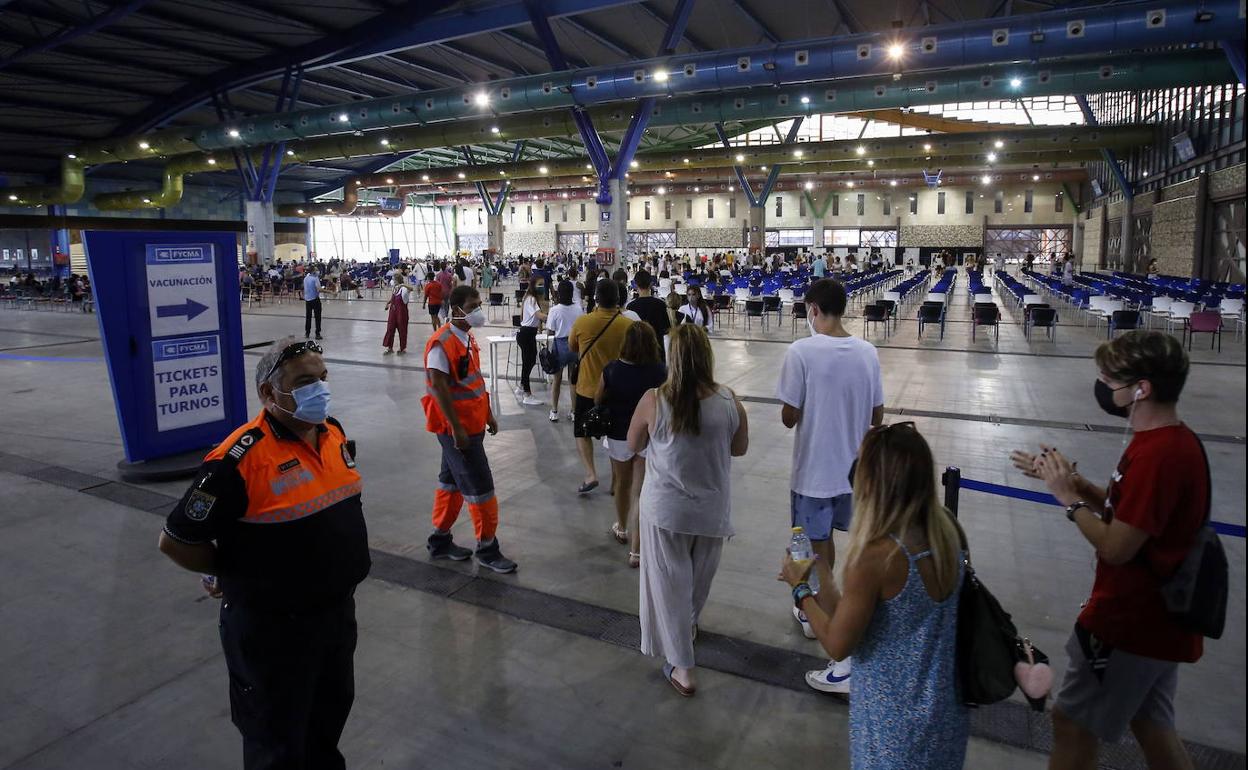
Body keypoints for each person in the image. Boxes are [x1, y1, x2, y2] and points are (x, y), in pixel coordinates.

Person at [158, 337, 369, 769]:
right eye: (305, 382)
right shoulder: (237, 461)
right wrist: (228, 571)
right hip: (273, 632)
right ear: (269, 394)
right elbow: (176, 540)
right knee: (275, 741)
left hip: (334, 617)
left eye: (322, 379)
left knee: (325, 727)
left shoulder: (333, 433)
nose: (319, 390)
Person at [1010, 331, 1205, 770]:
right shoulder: (1167, 441)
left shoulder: (1161, 456)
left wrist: (1068, 499)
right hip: (1158, 622)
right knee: (1151, 723)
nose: (1101, 383)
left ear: (1142, 388)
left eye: (1109, 377)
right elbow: (1131, 518)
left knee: (1072, 721)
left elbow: (1117, 546)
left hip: (1131, 621)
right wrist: (1077, 484)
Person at [779, 422, 968, 769]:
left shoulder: (879, 555)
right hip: (942, 714)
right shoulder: (947, 531)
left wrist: (800, 589)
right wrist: (818, 568)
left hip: (893, 724)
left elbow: (838, 645)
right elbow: (861, 620)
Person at [777, 278, 885, 694]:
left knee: (813, 553)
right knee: (834, 551)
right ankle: (824, 606)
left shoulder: (801, 352)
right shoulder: (867, 352)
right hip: (855, 475)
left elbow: (789, 417)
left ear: (812, 309)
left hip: (813, 475)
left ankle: (837, 645)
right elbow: (877, 415)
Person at [630, 324, 749, 695]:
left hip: (666, 511)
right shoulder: (729, 401)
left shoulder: (654, 400)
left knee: (669, 584)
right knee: (696, 584)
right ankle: (688, 628)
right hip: (711, 511)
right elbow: (740, 448)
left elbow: (634, 443)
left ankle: (682, 668)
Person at [421, 285, 517, 573]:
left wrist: (488, 414)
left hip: (472, 423)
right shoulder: (442, 342)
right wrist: (457, 429)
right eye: (473, 306)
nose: (478, 310)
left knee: (450, 484)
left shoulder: (467, 338)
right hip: (458, 431)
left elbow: (473, 381)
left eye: (479, 304)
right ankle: (488, 549)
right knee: (480, 487)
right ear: (457, 310)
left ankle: (439, 541)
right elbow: (438, 387)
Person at [595, 322, 667, 567]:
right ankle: (637, 551)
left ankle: (622, 527)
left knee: (622, 485)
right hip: (648, 437)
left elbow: (598, 398)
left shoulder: (612, 369)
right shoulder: (660, 371)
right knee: (641, 491)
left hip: (618, 435)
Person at [569, 280, 633, 495]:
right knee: (615, 436)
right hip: (617, 389)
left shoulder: (583, 322)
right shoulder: (627, 325)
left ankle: (590, 474)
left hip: (587, 388)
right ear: (618, 299)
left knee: (581, 431)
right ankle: (616, 481)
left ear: (596, 297)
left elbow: (573, 347)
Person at [546, 280, 585, 423]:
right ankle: (574, 411)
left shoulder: (555, 310)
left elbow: (550, 331)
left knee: (557, 380)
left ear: (558, 293)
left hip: (560, 345)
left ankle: (554, 411)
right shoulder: (578, 309)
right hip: (575, 345)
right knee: (572, 380)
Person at [516, 278, 548, 406]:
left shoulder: (531, 298)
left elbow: (537, 318)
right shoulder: (531, 299)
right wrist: (553, 317)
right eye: (540, 285)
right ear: (533, 285)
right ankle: (527, 394)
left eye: (543, 284)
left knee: (529, 361)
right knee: (528, 362)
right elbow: (539, 315)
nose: (542, 287)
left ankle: (522, 386)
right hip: (526, 334)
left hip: (529, 333)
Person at [626, 270, 671, 356]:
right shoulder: (660, 304)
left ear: (635, 285)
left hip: (637, 351)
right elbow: (666, 329)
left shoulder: (631, 306)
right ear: (651, 284)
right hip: (657, 350)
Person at [382, 273, 411, 355]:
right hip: (393, 312)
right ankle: (389, 347)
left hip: (401, 312)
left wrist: (403, 285)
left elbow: (410, 291)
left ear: (397, 280)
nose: (392, 281)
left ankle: (402, 348)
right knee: (390, 328)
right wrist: (387, 304)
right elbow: (392, 298)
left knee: (402, 330)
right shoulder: (395, 288)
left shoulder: (403, 289)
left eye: (394, 279)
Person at [303, 266, 323, 340]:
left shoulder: (306, 278)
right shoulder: (315, 278)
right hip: (315, 299)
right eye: (316, 270)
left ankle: (307, 333)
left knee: (308, 317)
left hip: (308, 300)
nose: (318, 271)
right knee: (317, 317)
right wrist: (330, 292)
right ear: (313, 271)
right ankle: (317, 334)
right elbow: (319, 289)